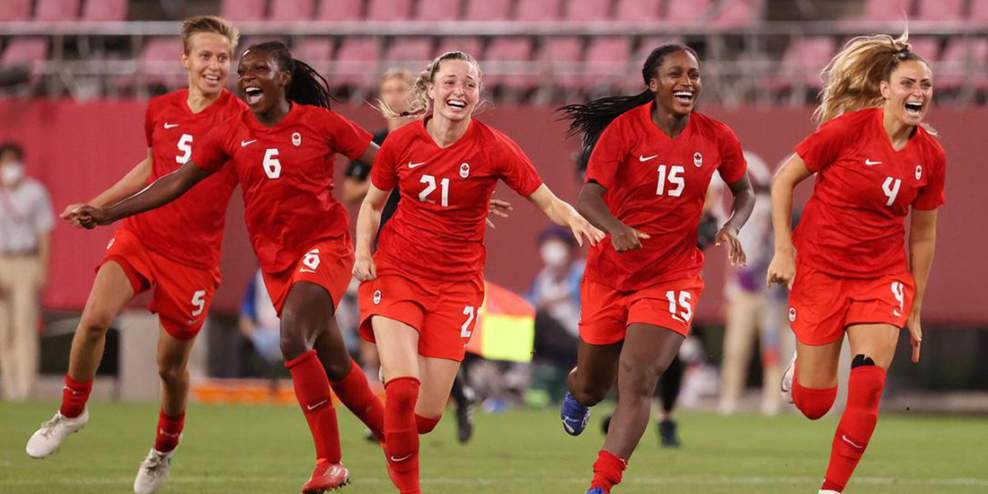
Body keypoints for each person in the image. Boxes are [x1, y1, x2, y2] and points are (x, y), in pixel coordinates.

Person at [65, 41, 389, 493]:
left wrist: (448, 192)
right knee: (334, 361)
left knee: (293, 337)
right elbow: (175, 180)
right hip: (276, 261)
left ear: (284, 77)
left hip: (326, 246)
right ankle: (398, 435)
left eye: (260, 69)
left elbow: (387, 163)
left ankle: (328, 462)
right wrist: (109, 211)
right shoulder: (230, 132)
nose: (248, 76)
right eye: (244, 70)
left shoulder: (321, 124)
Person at [352, 51, 603, 494]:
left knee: (424, 419)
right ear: (430, 89)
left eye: (469, 84)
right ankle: (409, 486)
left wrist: (576, 219)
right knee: (405, 388)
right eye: (450, 82)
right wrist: (361, 254)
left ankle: (396, 400)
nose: (459, 91)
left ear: (479, 94)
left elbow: (545, 199)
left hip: (455, 287)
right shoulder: (401, 142)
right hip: (397, 272)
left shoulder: (494, 146)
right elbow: (372, 204)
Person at [24, 16, 243, 494]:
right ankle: (71, 410)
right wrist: (100, 205)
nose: (215, 65)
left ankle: (163, 449)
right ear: (185, 59)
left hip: (194, 258)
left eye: (223, 57)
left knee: (170, 367)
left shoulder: (240, 119)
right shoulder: (161, 108)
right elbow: (151, 166)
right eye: (205, 55)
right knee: (94, 319)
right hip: (142, 236)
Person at [558, 44, 755, 494]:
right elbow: (589, 198)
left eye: (695, 74)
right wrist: (616, 227)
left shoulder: (717, 136)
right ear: (653, 84)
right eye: (675, 74)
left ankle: (601, 486)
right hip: (610, 273)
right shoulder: (624, 131)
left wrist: (732, 226)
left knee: (639, 377)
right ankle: (576, 393)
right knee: (592, 386)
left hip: (673, 276)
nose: (688, 82)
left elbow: (745, 192)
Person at [768, 32, 944, 494]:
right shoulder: (846, 130)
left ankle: (831, 489)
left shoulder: (931, 155)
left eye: (926, 85)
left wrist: (916, 304)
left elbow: (923, 233)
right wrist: (784, 249)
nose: (919, 93)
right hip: (820, 272)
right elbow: (784, 179)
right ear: (885, 89)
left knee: (868, 383)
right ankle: (801, 363)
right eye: (909, 83)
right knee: (813, 404)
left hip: (882, 276)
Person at [719, 155, 790, 417]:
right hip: (745, 290)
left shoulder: (773, 209)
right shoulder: (742, 213)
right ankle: (730, 396)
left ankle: (773, 398)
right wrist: (729, 293)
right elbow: (734, 255)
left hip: (770, 292)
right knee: (736, 348)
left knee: (771, 349)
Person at [0, 141, 53, 401]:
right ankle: (9, 386)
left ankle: (25, 386)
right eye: (5, 162)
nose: (10, 167)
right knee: (3, 328)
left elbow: (44, 232)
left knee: (25, 325)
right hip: (1, 260)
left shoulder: (35, 192)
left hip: (26, 261)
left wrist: (43, 269)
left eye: (14, 161)